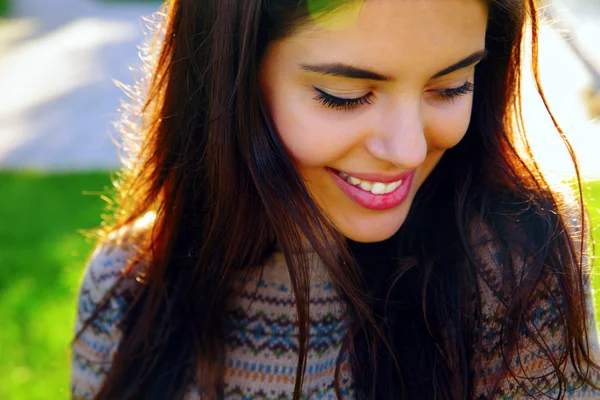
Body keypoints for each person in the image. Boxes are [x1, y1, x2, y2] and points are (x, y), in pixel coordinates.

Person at [70, 0, 600, 398]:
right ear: (231, 80)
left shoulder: (516, 265)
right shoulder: (125, 286)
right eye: (345, 96)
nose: (408, 148)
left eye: (451, 86)